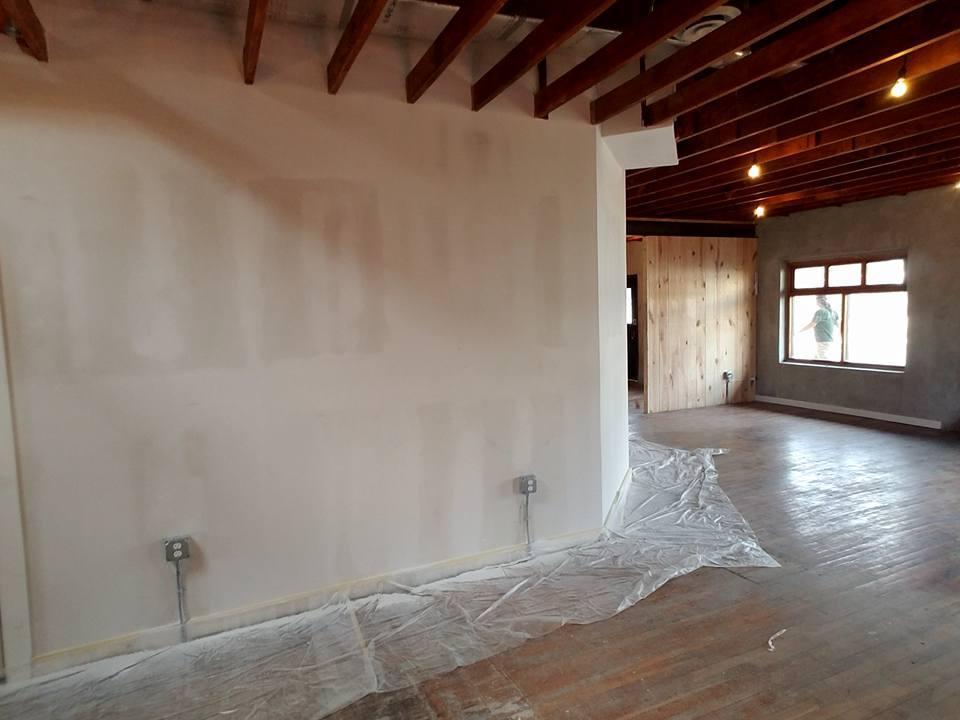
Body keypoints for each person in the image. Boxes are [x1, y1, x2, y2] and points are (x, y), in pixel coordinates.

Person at [798, 295, 839, 360]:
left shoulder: (821, 312)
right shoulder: (834, 312)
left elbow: (812, 324)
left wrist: (799, 331)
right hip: (829, 340)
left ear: (818, 302)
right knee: (817, 358)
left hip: (823, 340)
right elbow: (838, 325)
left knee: (822, 361)